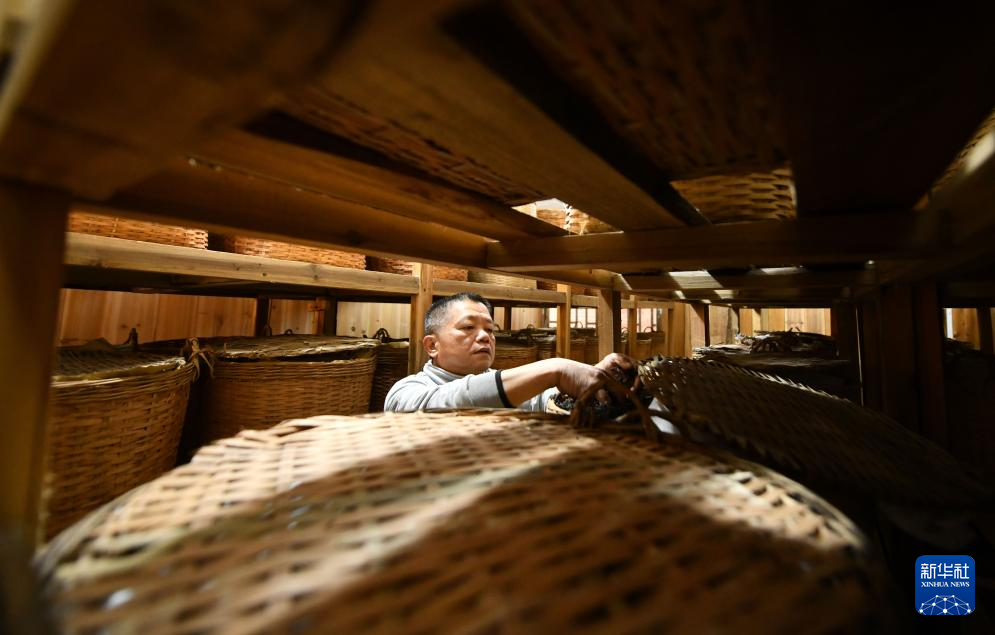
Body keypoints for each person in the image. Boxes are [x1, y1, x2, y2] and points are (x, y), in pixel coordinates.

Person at [385, 292, 633, 412]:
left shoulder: (511, 385)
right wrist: (554, 369)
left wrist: (595, 377)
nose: (485, 336)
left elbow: (545, 398)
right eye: (468, 327)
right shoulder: (406, 392)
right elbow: (452, 400)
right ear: (432, 345)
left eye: (490, 329)